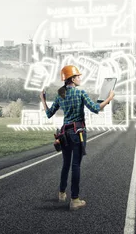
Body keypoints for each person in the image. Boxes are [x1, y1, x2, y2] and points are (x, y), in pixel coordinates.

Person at [40, 65, 114, 211]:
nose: (80, 78)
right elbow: (95, 108)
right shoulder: (80, 93)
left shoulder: (60, 95)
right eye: (78, 76)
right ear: (72, 79)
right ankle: (75, 199)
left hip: (64, 134)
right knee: (76, 166)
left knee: (65, 164)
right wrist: (109, 98)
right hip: (77, 132)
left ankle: (62, 193)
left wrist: (43, 100)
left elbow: (49, 114)